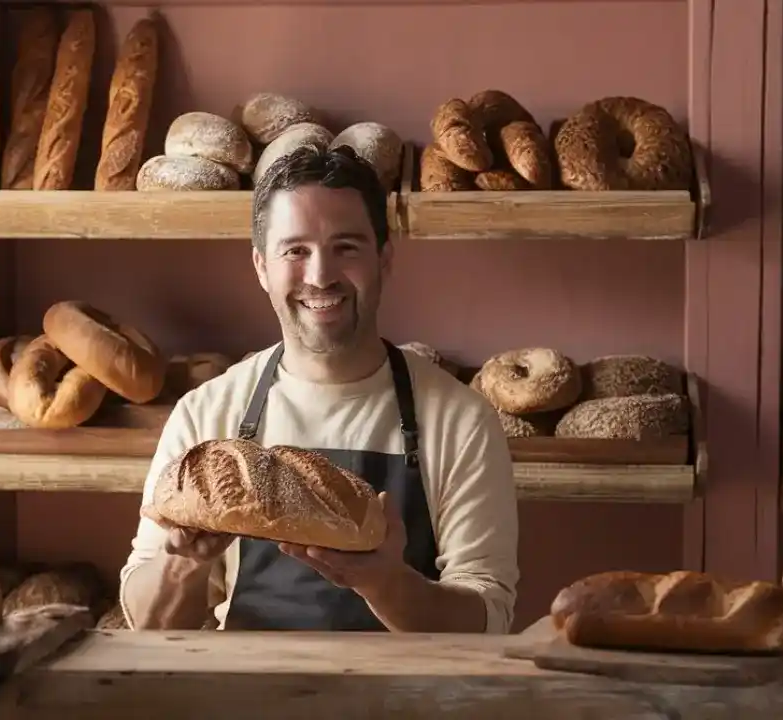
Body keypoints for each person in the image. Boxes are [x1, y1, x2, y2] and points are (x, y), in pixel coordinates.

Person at [117, 145, 520, 633]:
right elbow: (147, 625)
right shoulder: (207, 416)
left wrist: (386, 584)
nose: (320, 275)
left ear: (384, 260)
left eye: (345, 248)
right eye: (295, 250)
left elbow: (487, 622)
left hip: (406, 704)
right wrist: (184, 563)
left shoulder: (460, 421)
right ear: (261, 266)